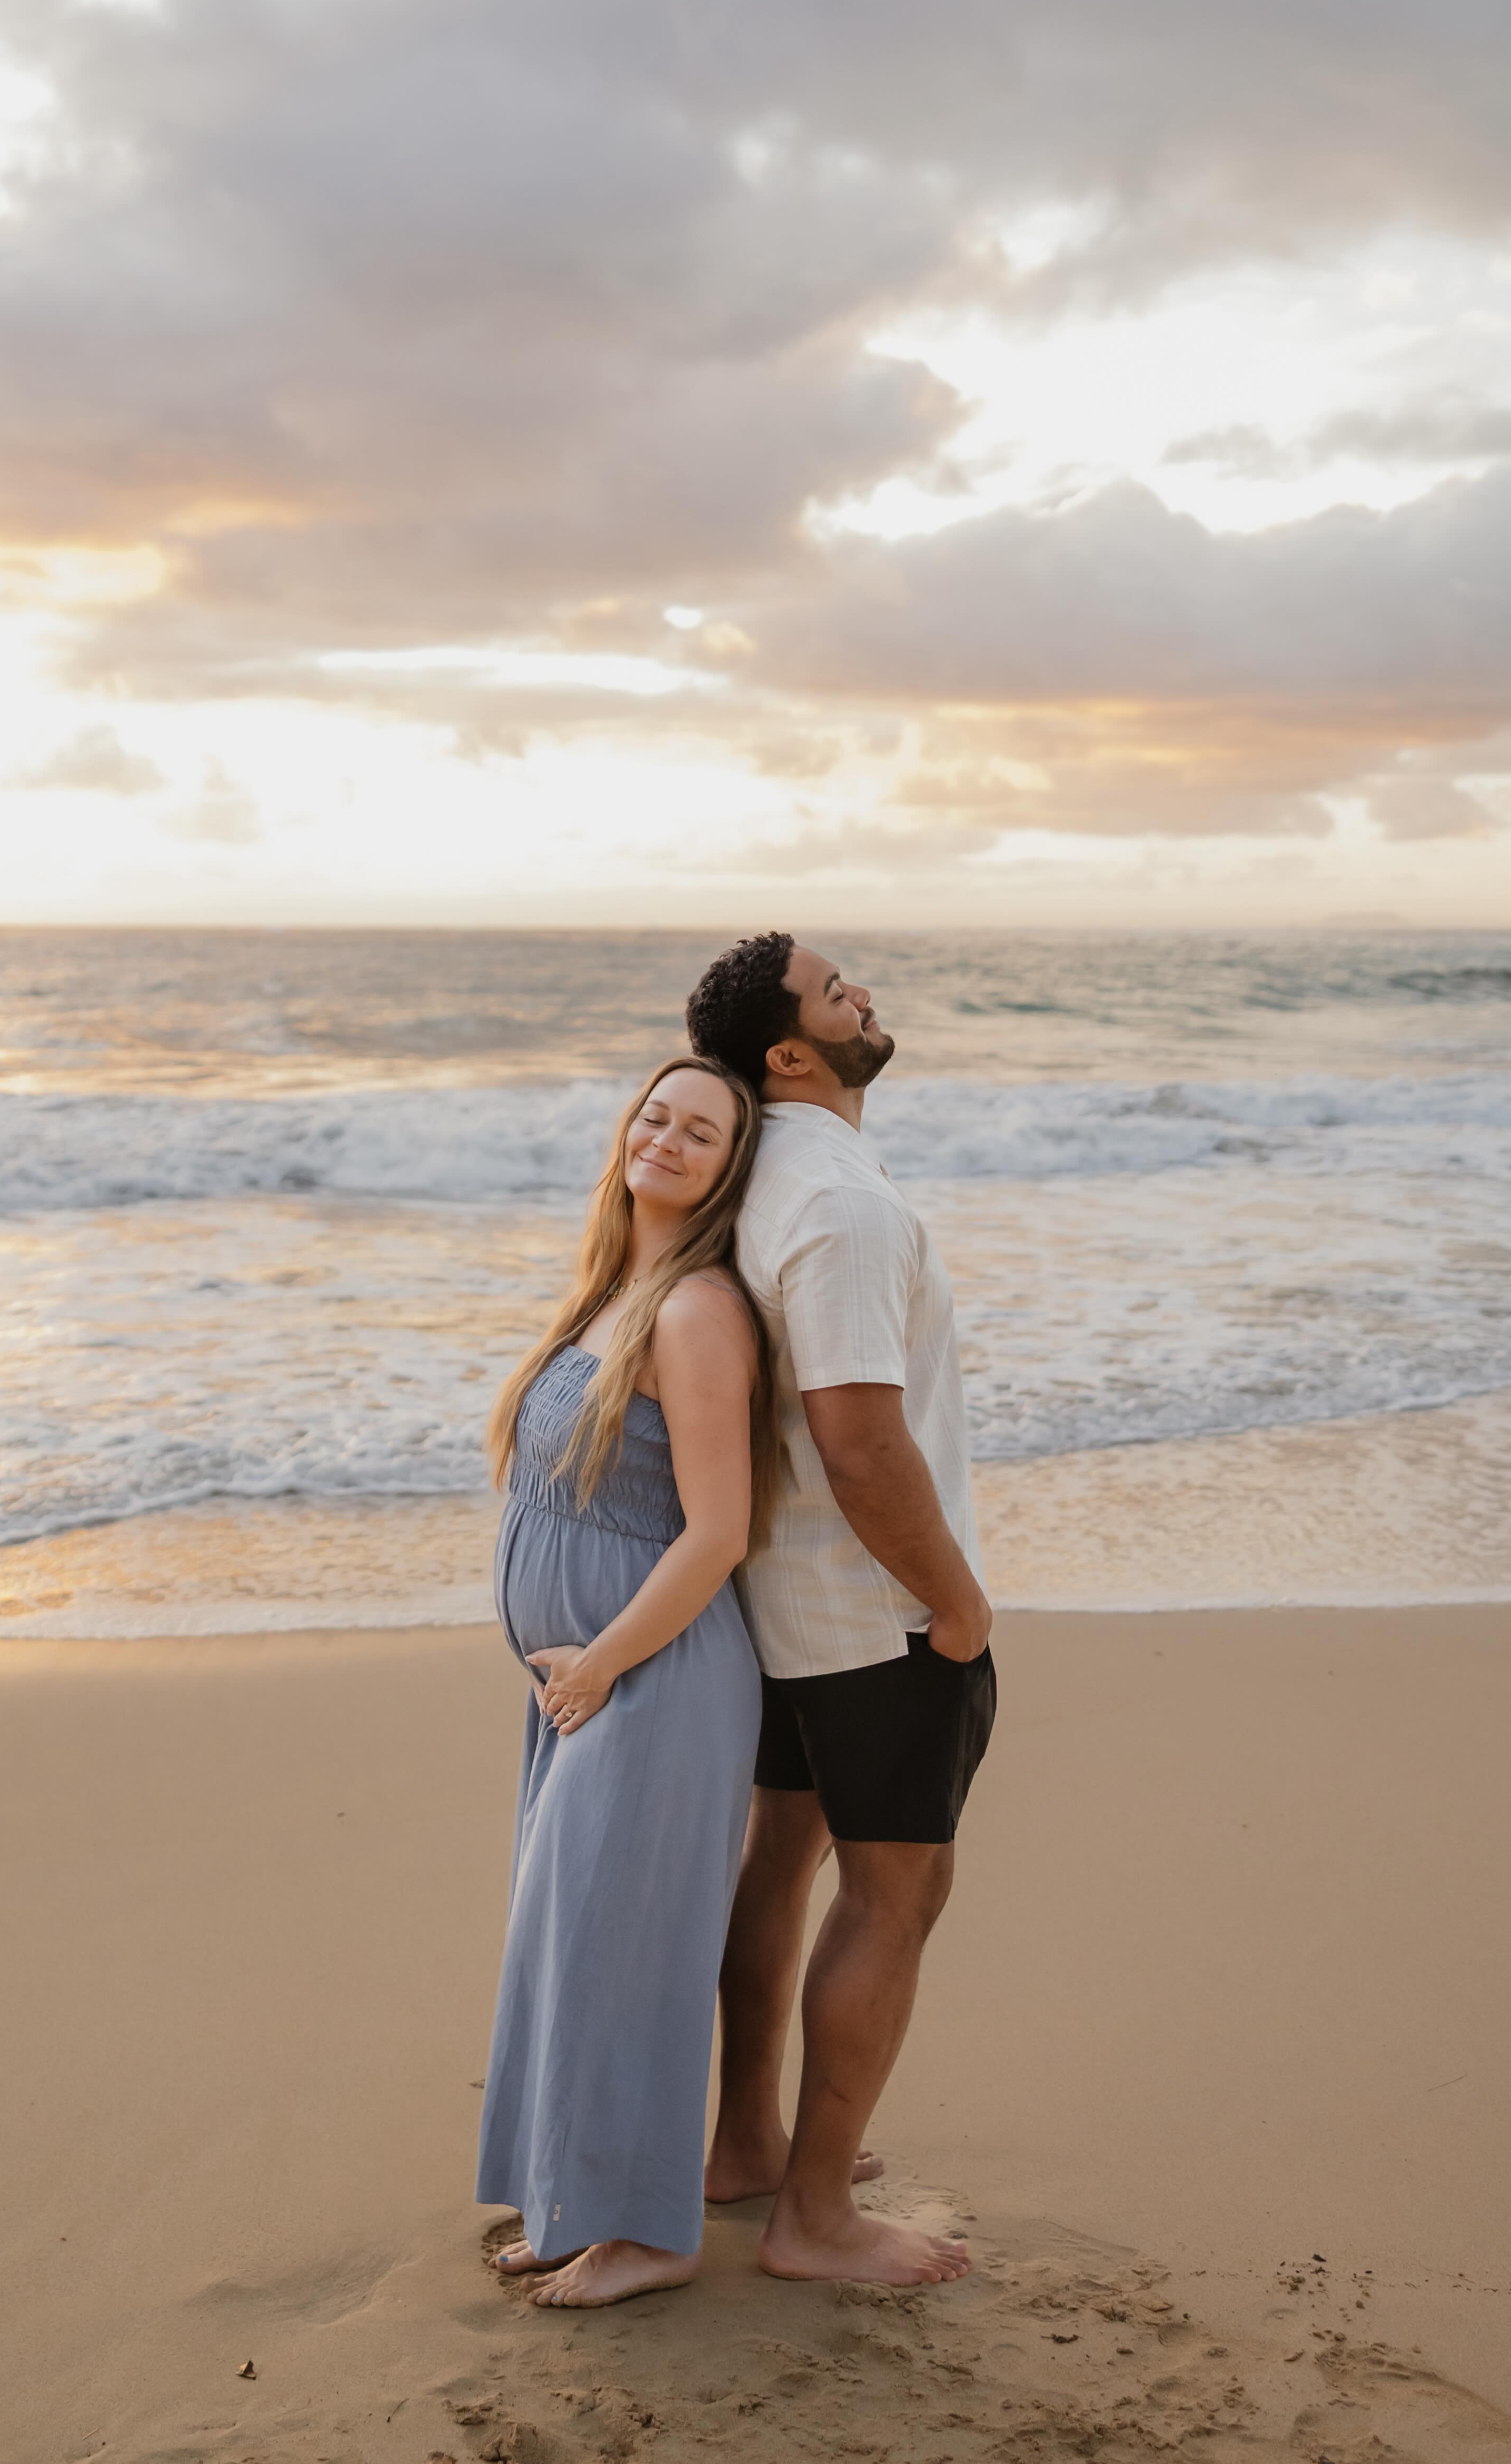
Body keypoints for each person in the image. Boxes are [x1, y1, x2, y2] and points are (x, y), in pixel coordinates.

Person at [683, 933, 996, 2290]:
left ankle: (747, 2145)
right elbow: (860, 1439)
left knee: (781, 1857)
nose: (861, 989)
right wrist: (957, 1600)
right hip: (873, 1613)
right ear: (790, 1052)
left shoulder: (760, 1177)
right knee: (896, 1892)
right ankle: (813, 2215)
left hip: (781, 1595)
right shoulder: (839, 1204)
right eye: (833, 988)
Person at [475, 1055, 778, 2308]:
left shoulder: (695, 1311)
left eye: (702, 1131)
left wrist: (598, 1662)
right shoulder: (611, 1290)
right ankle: (574, 2202)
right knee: (573, 1943)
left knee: (622, 1958)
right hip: (593, 1686)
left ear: (729, 1168)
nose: (668, 1137)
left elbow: (719, 1531)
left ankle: (651, 2233)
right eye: (656, 1114)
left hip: (651, 1680)